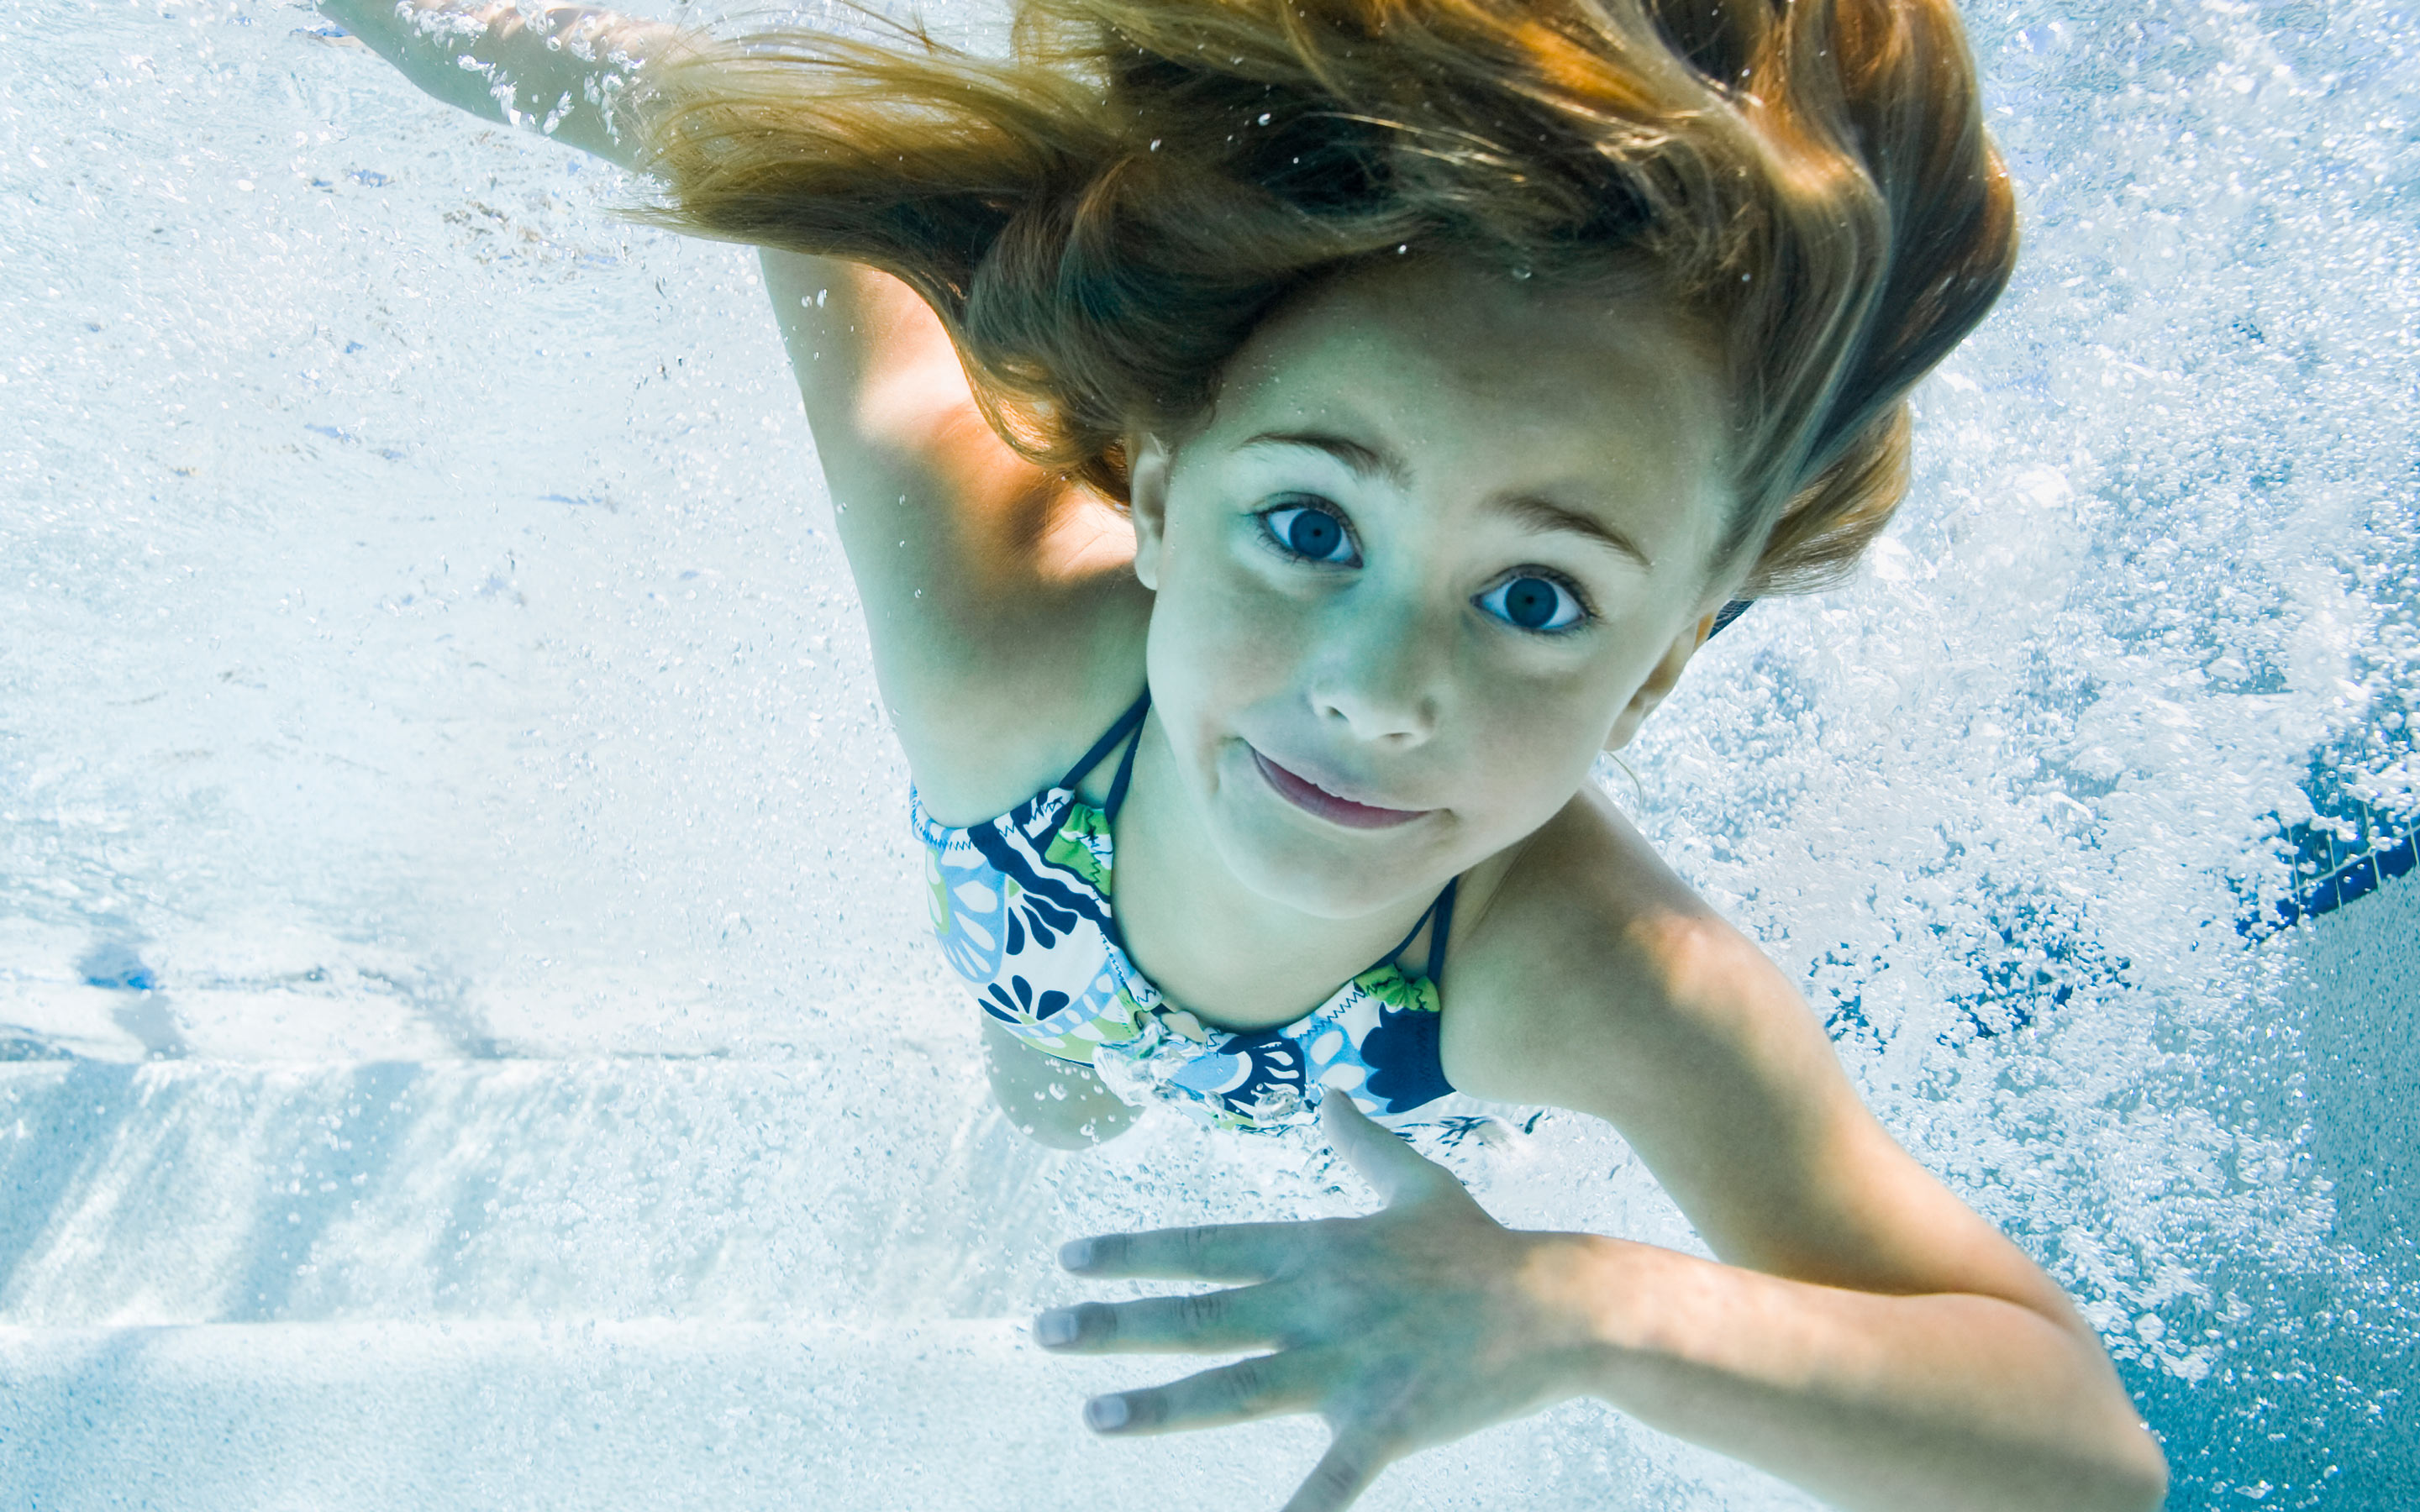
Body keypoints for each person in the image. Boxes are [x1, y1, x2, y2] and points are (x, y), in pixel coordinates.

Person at [313, 0, 2171, 1505]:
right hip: (1042, 967)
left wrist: (1592, 1310)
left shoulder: (1595, 982)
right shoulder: (997, 643)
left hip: (1294, 1041)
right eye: (1309, 527)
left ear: (1660, 672)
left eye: (1537, 599)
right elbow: (751, 139)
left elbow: (2081, 1456)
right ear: (1159, 495)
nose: (1377, 689)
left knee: (1060, 1080)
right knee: (1050, 1090)